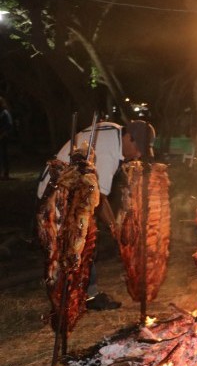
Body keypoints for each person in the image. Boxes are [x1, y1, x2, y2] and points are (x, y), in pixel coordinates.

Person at [37, 120, 147, 310]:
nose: (138, 155)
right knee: (73, 243)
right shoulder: (108, 152)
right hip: (58, 193)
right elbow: (100, 198)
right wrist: (114, 228)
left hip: (71, 189)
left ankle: (84, 293)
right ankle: (74, 297)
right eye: (138, 149)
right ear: (129, 138)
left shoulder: (114, 132)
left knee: (83, 237)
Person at [0, 97, 12, 180]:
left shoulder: (4, 112)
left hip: (3, 136)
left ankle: (5, 173)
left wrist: (3, 134)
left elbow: (8, 124)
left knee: (4, 155)